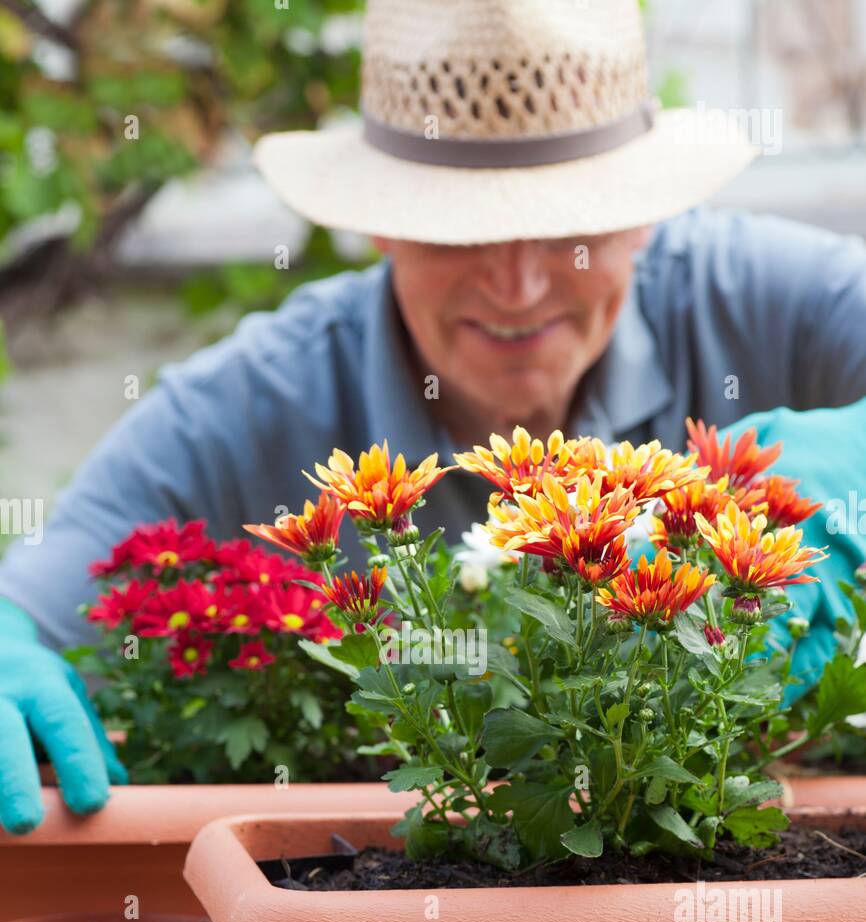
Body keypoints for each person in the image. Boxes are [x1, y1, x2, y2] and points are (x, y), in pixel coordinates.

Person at [1, 0, 865, 834]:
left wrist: (837, 479)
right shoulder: (259, 399)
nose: (519, 287)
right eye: (461, 232)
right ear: (379, 224)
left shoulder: (759, 298)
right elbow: (38, 600)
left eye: (572, 223)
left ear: (645, 212)